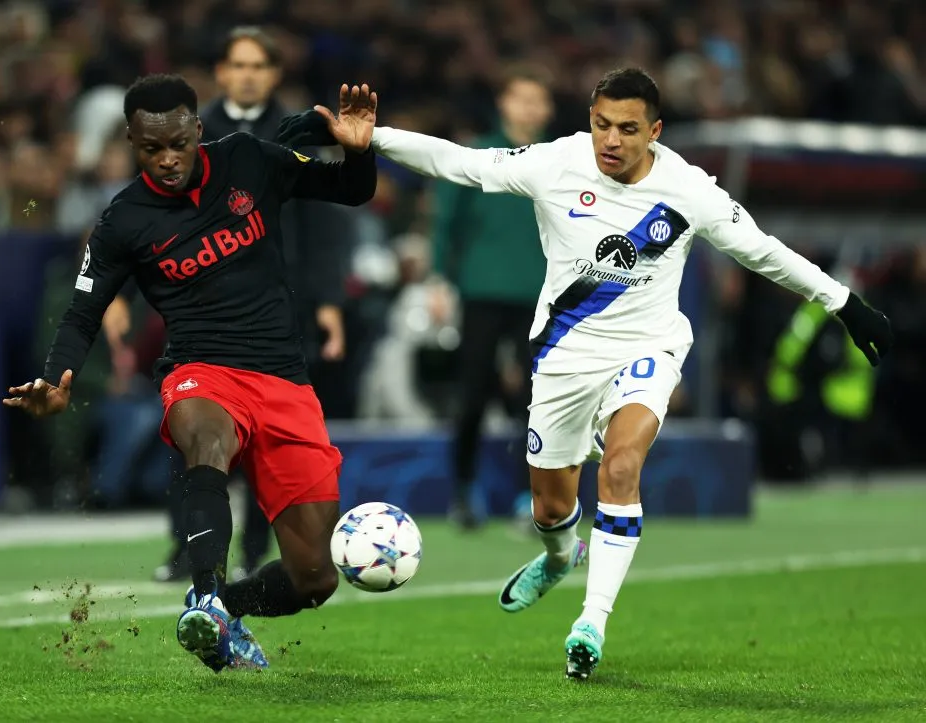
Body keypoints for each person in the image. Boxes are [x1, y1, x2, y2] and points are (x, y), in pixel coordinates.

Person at [364, 67, 893, 679]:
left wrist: (843, 302)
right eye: (601, 125)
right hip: (564, 358)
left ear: (655, 131)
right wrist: (371, 137)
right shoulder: (556, 163)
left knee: (620, 467)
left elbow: (763, 251)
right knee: (550, 508)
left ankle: (591, 622)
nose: (610, 140)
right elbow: (460, 163)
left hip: (648, 348)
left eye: (627, 129)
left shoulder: (688, 190)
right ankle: (559, 556)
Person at [3, 74, 378, 673]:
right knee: (206, 440)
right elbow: (81, 313)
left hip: (284, 379)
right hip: (202, 371)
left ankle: (226, 610)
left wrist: (358, 151)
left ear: (198, 130)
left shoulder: (247, 160)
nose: (168, 159)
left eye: (178, 143)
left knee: (315, 576)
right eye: (151, 148)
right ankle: (205, 593)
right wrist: (55, 378)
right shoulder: (123, 220)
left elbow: (350, 190)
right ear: (131, 142)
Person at [152, 26, 352, 584]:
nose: (246, 75)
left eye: (257, 66)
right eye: (238, 65)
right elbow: (149, 219)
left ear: (274, 75)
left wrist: (328, 301)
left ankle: (256, 549)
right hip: (200, 307)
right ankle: (187, 547)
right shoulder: (187, 133)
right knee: (193, 429)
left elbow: (322, 224)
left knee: (271, 433)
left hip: (279, 306)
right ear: (221, 72)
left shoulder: (298, 132)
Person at [429, 63, 553, 530]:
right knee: (473, 395)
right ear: (503, 102)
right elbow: (446, 223)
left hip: (541, 296)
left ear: (548, 108)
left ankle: (533, 498)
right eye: (520, 98)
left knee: (538, 401)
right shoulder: (478, 155)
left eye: (536, 100)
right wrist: (438, 280)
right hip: (480, 289)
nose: (528, 108)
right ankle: (463, 492)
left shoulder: (561, 159)